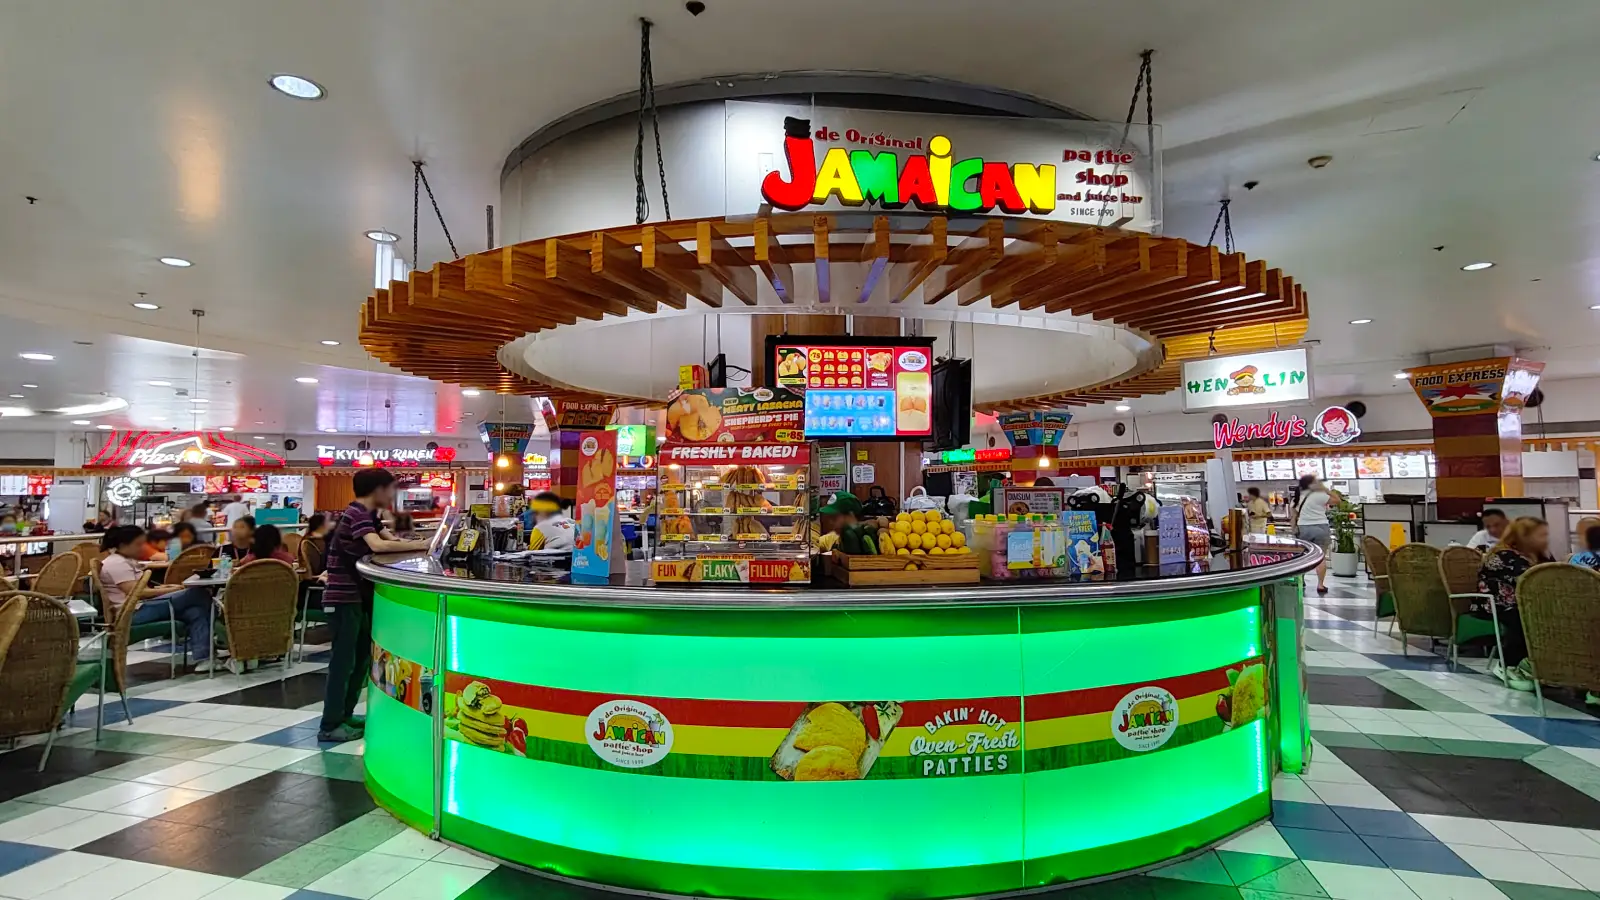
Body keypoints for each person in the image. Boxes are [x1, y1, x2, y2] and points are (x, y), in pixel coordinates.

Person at [318, 468, 431, 742]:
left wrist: (420, 544)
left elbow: (392, 541)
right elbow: (378, 546)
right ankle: (330, 725)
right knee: (342, 663)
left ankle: (345, 715)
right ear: (378, 490)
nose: (393, 495)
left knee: (358, 660)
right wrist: (424, 544)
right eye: (390, 489)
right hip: (343, 599)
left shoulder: (370, 515)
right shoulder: (355, 513)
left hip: (356, 598)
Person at [98, 525, 228, 672]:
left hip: (142, 607)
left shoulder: (124, 560)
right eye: (138, 544)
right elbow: (137, 593)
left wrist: (166, 588)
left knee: (195, 612)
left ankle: (205, 658)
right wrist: (172, 590)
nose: (142, 548)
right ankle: (222, 628)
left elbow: (141, 589)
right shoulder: (117, 563)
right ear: (123, 545)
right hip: (132, 613)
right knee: (198, 593)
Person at [1476, 516, 1553, 690]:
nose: (1546, 539)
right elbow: (1530, 581)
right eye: (1541, 535)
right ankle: (1507, 664)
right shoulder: (1504, 556)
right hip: (1498, 605)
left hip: (1529, 603)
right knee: (1527, 619)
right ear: (1525, 537)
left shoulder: (1539, 555)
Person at [1294, 476, 1340, 594]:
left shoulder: (1298, 496)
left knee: (1302, 556)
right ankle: (1320, 585)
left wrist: (1293, 528)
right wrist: (1325, 489)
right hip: (1320, 527)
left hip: (1303, 528)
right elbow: (1337, 500)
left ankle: (1300, 581)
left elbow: (1293, 515)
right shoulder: (1319, 495)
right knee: (1320, 557)